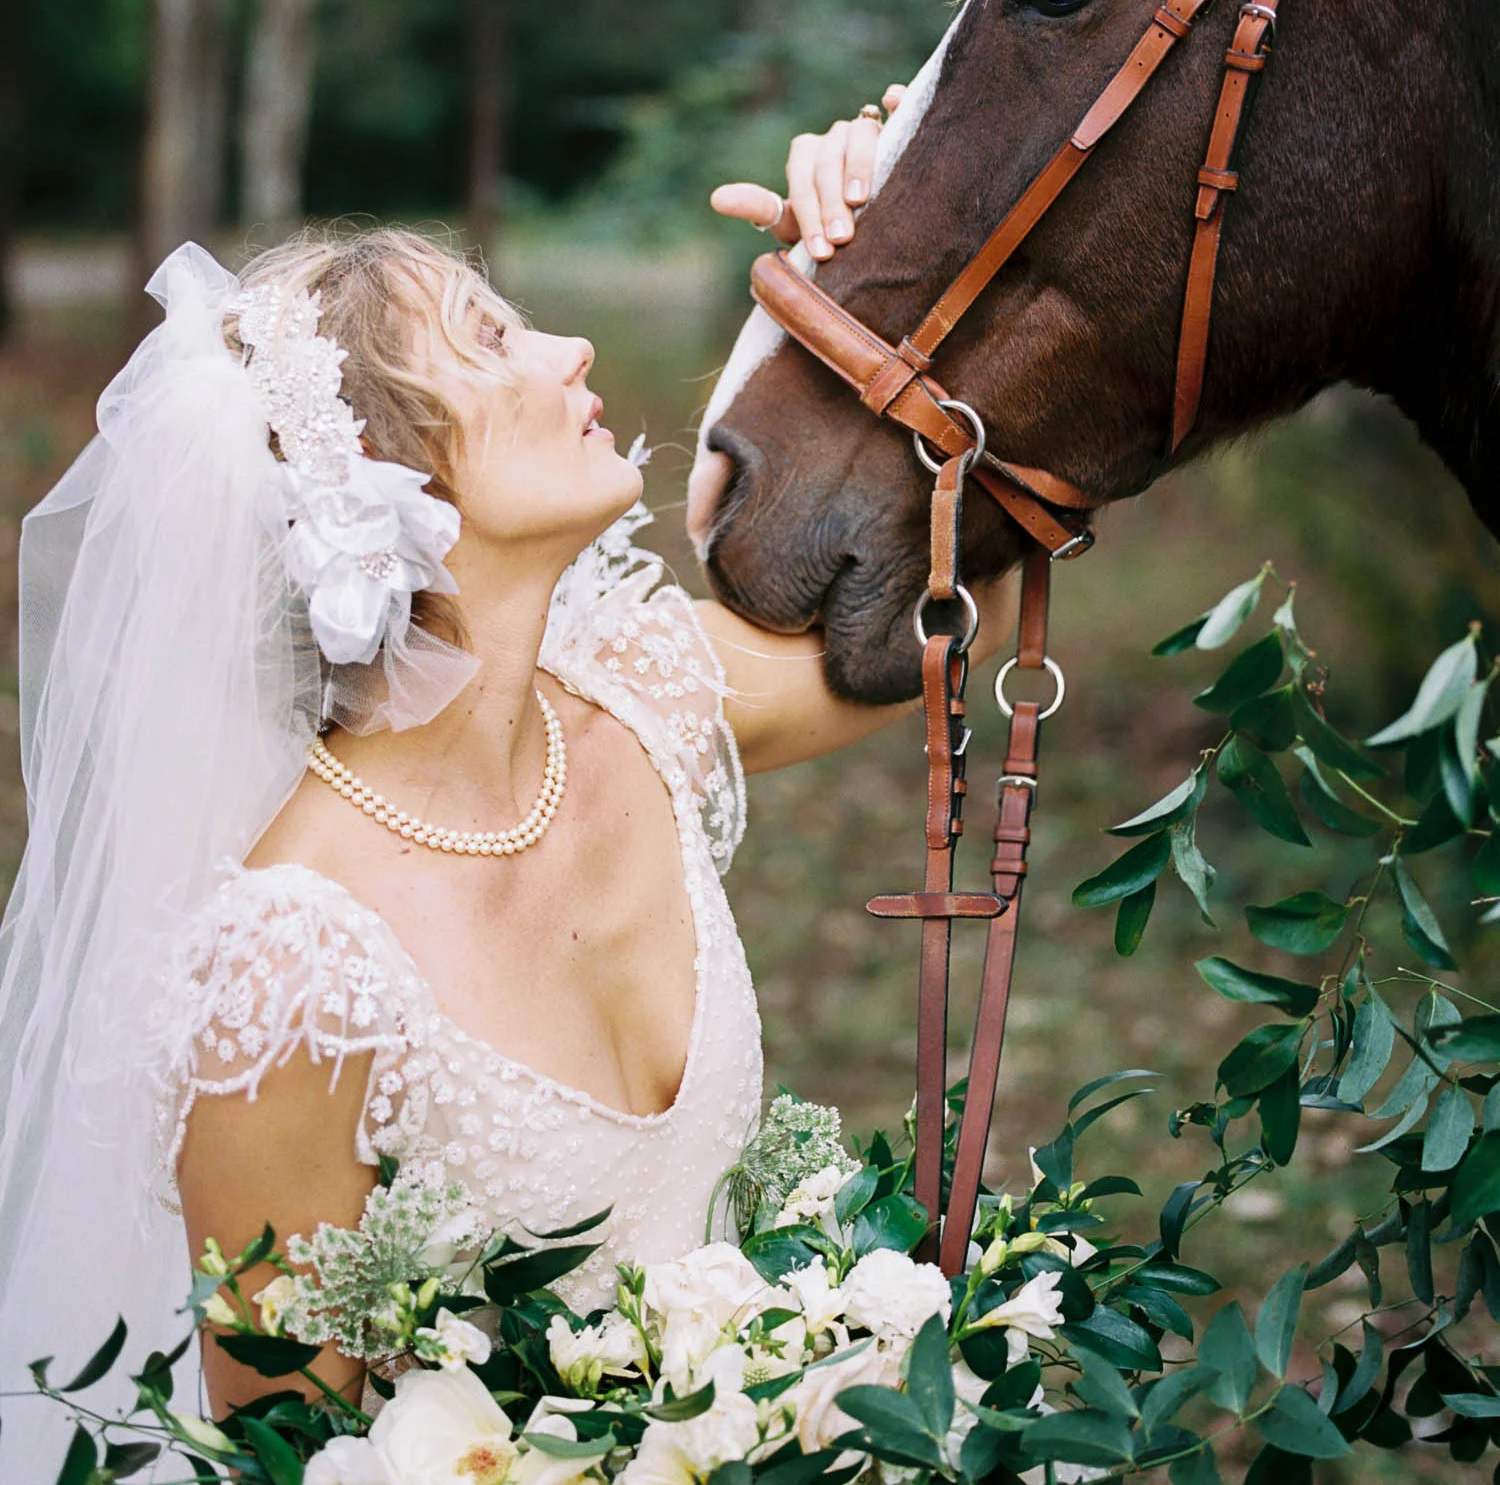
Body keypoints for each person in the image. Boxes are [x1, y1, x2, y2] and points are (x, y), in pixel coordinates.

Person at [0, 94, 1013, 1468]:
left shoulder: (639, 694)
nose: (571, 347)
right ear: (378, 472)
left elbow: (962, 603)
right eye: (490, 338)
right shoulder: (287, 975)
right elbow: (297, 1453)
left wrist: (895, 260)